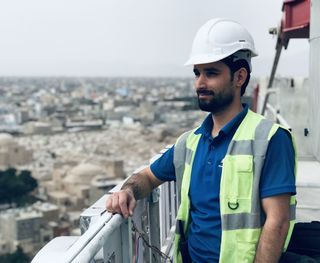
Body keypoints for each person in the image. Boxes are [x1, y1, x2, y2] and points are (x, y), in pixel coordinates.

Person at [106, 18, 296, 263]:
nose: (200, 83)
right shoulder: (190, 143)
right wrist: (128, 191)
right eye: (197, 73)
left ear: (239, 77)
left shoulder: (270, 139)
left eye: (211, 73)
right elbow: (149, 177)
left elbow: (277, 222)